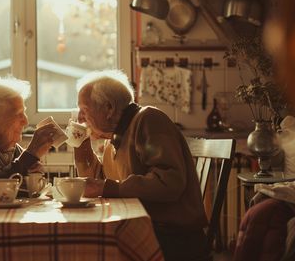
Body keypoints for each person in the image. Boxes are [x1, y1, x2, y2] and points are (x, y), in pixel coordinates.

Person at [73, 69, 208, 261]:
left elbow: (169, 183)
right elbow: (100, 181)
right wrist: (81, 145)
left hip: (173, 237)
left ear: (109, 108)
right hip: (148, 231)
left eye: (84, 110)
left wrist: (108, 187)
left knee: (89, 250)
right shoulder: (114, 140)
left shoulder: (149, 120)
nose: (79, 117)